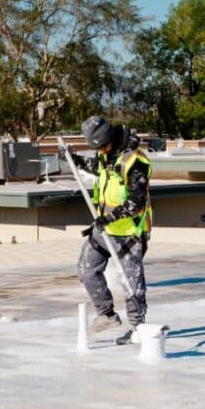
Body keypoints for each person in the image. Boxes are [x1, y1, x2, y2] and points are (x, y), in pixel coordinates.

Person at [60, 116, 153, 345]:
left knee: (131, 282)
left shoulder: (134, 161)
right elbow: (99, 170)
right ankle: (107, 314)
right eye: (96, 147)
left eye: (101, 145)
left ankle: (137, 328)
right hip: (105, 228)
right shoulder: (105, 154)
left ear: (110, 138)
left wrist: (109, 217)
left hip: (129, 232)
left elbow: (136, 202)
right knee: (87, 268)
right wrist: (76, 160)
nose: (100, 150)